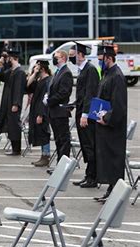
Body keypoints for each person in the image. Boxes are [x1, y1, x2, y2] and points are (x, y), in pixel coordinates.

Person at [94, 44, 127, 203]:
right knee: (107, 158)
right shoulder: (107, 74)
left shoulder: (117, 76)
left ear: (108, 58)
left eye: (101, 59)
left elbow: (119, 105)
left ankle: (115, 191)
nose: (99, 62)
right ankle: (110, 189)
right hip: (103, 124)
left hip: (113, 127)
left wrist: (106, 119)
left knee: (114, 160)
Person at [69, 42, 100, 188]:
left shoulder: (90, 70)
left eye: (72, 56)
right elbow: (82, 94)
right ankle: (88, 174)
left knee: (90, 145)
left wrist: (85, 114)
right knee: (85, 145)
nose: (71, 59)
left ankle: (93, 177)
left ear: (80, 55)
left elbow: (90, 94)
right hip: (81, 111)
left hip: (86, 115)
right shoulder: (83, 69)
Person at [0, 49, 26, 156]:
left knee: (14, 126)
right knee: (9, 125)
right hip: (7, 102)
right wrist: (0, 64)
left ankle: (16, 149)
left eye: (8, 58)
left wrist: (16, 104)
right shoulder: (11, 71)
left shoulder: (20, 72)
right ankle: (14, 148)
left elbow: (18, 90)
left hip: (13, 104)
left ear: (13, 59)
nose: (7, 60)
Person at [46, 50, 73, 164]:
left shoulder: (66, 72)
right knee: (58, 140)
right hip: (54, 111)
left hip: (60, 111)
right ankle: (59, 164)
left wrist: (49, 100)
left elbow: (64, 92)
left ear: (62, 58)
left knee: (63, 140)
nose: (54, 59)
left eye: (55, 57)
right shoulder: (57, 72)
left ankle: (62, 164)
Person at [26, 60, 52, 167]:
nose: (35, 68)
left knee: (44, 133)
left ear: (42, 68)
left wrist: (41, 114)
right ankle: (43, 156)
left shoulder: (48, 81)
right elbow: (27, 85)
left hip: (42, 111)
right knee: (39, 133)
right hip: (35, 110)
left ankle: (46, 156)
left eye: (37, 66)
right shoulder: (39, 79)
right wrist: (34, 73)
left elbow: (45, 98)